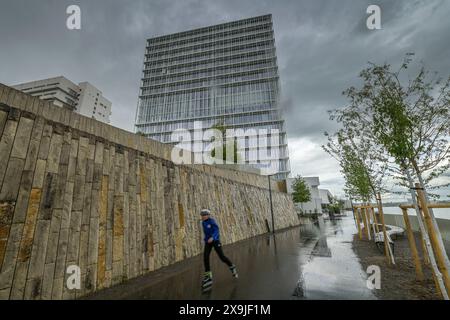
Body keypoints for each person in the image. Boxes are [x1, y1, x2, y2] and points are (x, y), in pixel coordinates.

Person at [200, 208, 238, 289]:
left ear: (208, 215)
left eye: (204, 215)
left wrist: (213, 238)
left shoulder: (212, 221)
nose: (202, 216)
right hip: (208, 242)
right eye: (202, 215)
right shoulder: (203, 223)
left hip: (215, 241)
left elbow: (216, 230)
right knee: (205, 257)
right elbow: (206, 233)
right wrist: (206, 239)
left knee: (222, 257)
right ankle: (208, 276)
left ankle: (232, 266)